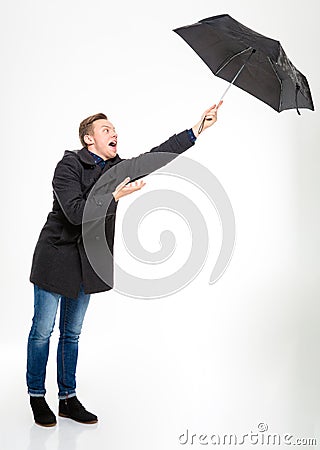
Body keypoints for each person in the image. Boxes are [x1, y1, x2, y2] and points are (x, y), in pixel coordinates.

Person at [26, 101, 222, 427]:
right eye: (106, 130)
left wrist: (196, 129)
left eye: (114, 129)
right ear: (89, 140)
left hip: (86, 262)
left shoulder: (115, 168)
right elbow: (75, 213)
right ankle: (36, 396)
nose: (114, 132)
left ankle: (67, 399)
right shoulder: (68, 166)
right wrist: (114, 197)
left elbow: (155, 157)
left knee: (71, 334)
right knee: (43, 331)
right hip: (55, 257)